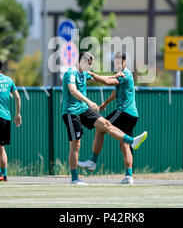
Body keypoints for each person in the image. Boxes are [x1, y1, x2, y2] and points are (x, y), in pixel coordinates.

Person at [62, 52, 148, 185]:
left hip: (87, 109)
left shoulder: (122, 74)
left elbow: (103, 80)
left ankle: (94, 160)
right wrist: (91, 101)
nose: (90, 68)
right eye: (89, 64)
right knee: (76, 144)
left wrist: (113, 77)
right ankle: (74, 178)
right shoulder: (71, 72)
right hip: (71, 112)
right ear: (83, 61)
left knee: (105, 125)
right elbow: (73, 91)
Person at [78, 52, 139, 184]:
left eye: (120, 62)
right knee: (124, 144)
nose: (118, 65)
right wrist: (106, 103)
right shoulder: (123, 75)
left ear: (125, 62)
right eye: (116, 62)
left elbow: (107, 81)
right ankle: (129, 176)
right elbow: (115, 91)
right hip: (133, 115)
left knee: (101, 127)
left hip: (124, 112)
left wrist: (92, 74)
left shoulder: (125, 74)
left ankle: (92, 161)